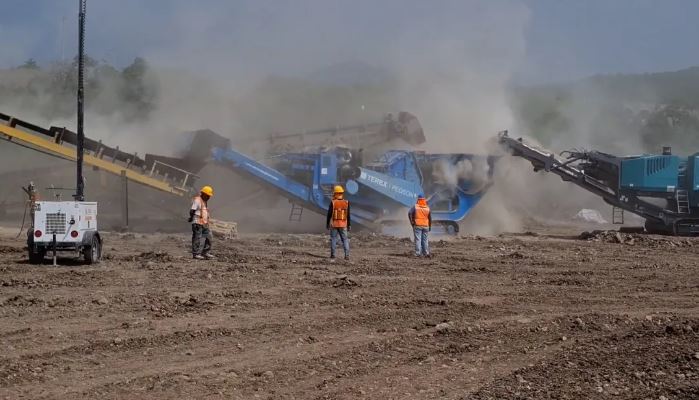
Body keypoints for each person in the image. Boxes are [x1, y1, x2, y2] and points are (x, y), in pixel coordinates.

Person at [189, 185, 215, 260]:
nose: (209, 197)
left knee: (209, 237)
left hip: (204, 222)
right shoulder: (197, 200)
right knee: (197, 238)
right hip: (197, 222)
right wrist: (191, 218)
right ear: (203, 194)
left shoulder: (204, 201)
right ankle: (196, 254)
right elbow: (192, 210)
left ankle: (205, 252)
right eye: (208, 195)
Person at [326, 185, 350, 261]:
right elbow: (348, 215)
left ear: (335, 193)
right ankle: (347, 255)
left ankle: (333, 255)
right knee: (345, 240)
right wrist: (349, 225)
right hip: (343, 225)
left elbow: (329, 214)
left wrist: (327, 224)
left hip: (334, 224)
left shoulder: (333, 202)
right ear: (342, 193)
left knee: (333, 239)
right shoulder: (346, 202)